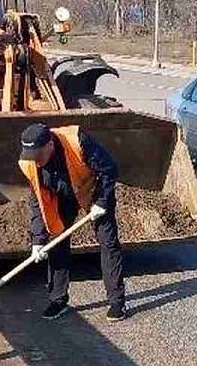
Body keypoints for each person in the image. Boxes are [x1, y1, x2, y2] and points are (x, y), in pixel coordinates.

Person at [19, 123, 126, 321]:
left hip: (94, 190)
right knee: (57, 241)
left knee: (108, 244)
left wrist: (102, 201)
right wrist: (38, 240)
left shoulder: (78, 141)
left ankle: (117, 302)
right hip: (63, 195)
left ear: (50, 145)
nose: (36, 161)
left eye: (38, 155)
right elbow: (37, 201)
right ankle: (58, 300)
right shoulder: (29, 162)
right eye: (31, 156)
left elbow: (109, 168)